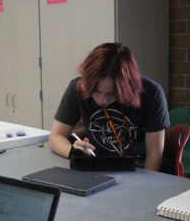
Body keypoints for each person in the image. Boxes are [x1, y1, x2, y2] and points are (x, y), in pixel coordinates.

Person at [49, 42, 169, 171]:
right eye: (96, 91)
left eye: (111, 94)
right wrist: (73, 152)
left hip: (137, 168)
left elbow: (154, 155)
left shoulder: (151, 93)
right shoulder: (77, 87)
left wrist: (142, 187)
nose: (102, 101)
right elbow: (56, 137)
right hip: (95, 164)